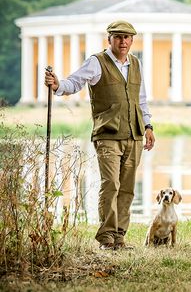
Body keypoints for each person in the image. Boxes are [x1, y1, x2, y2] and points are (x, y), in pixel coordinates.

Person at [45, 20, 155, 250]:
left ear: (132, 40)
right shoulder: (97, 62)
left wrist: (148, 126)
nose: (123, 41)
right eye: (118, 37)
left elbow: (140, 99)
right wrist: (58, 85)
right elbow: (75, 82)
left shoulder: (136, 63)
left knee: (127, 187)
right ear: (109, 39)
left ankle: (119, 237)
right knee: (111, 184)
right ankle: (106, 237)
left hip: (134, 135)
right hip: (107, 134)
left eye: (127, 37)